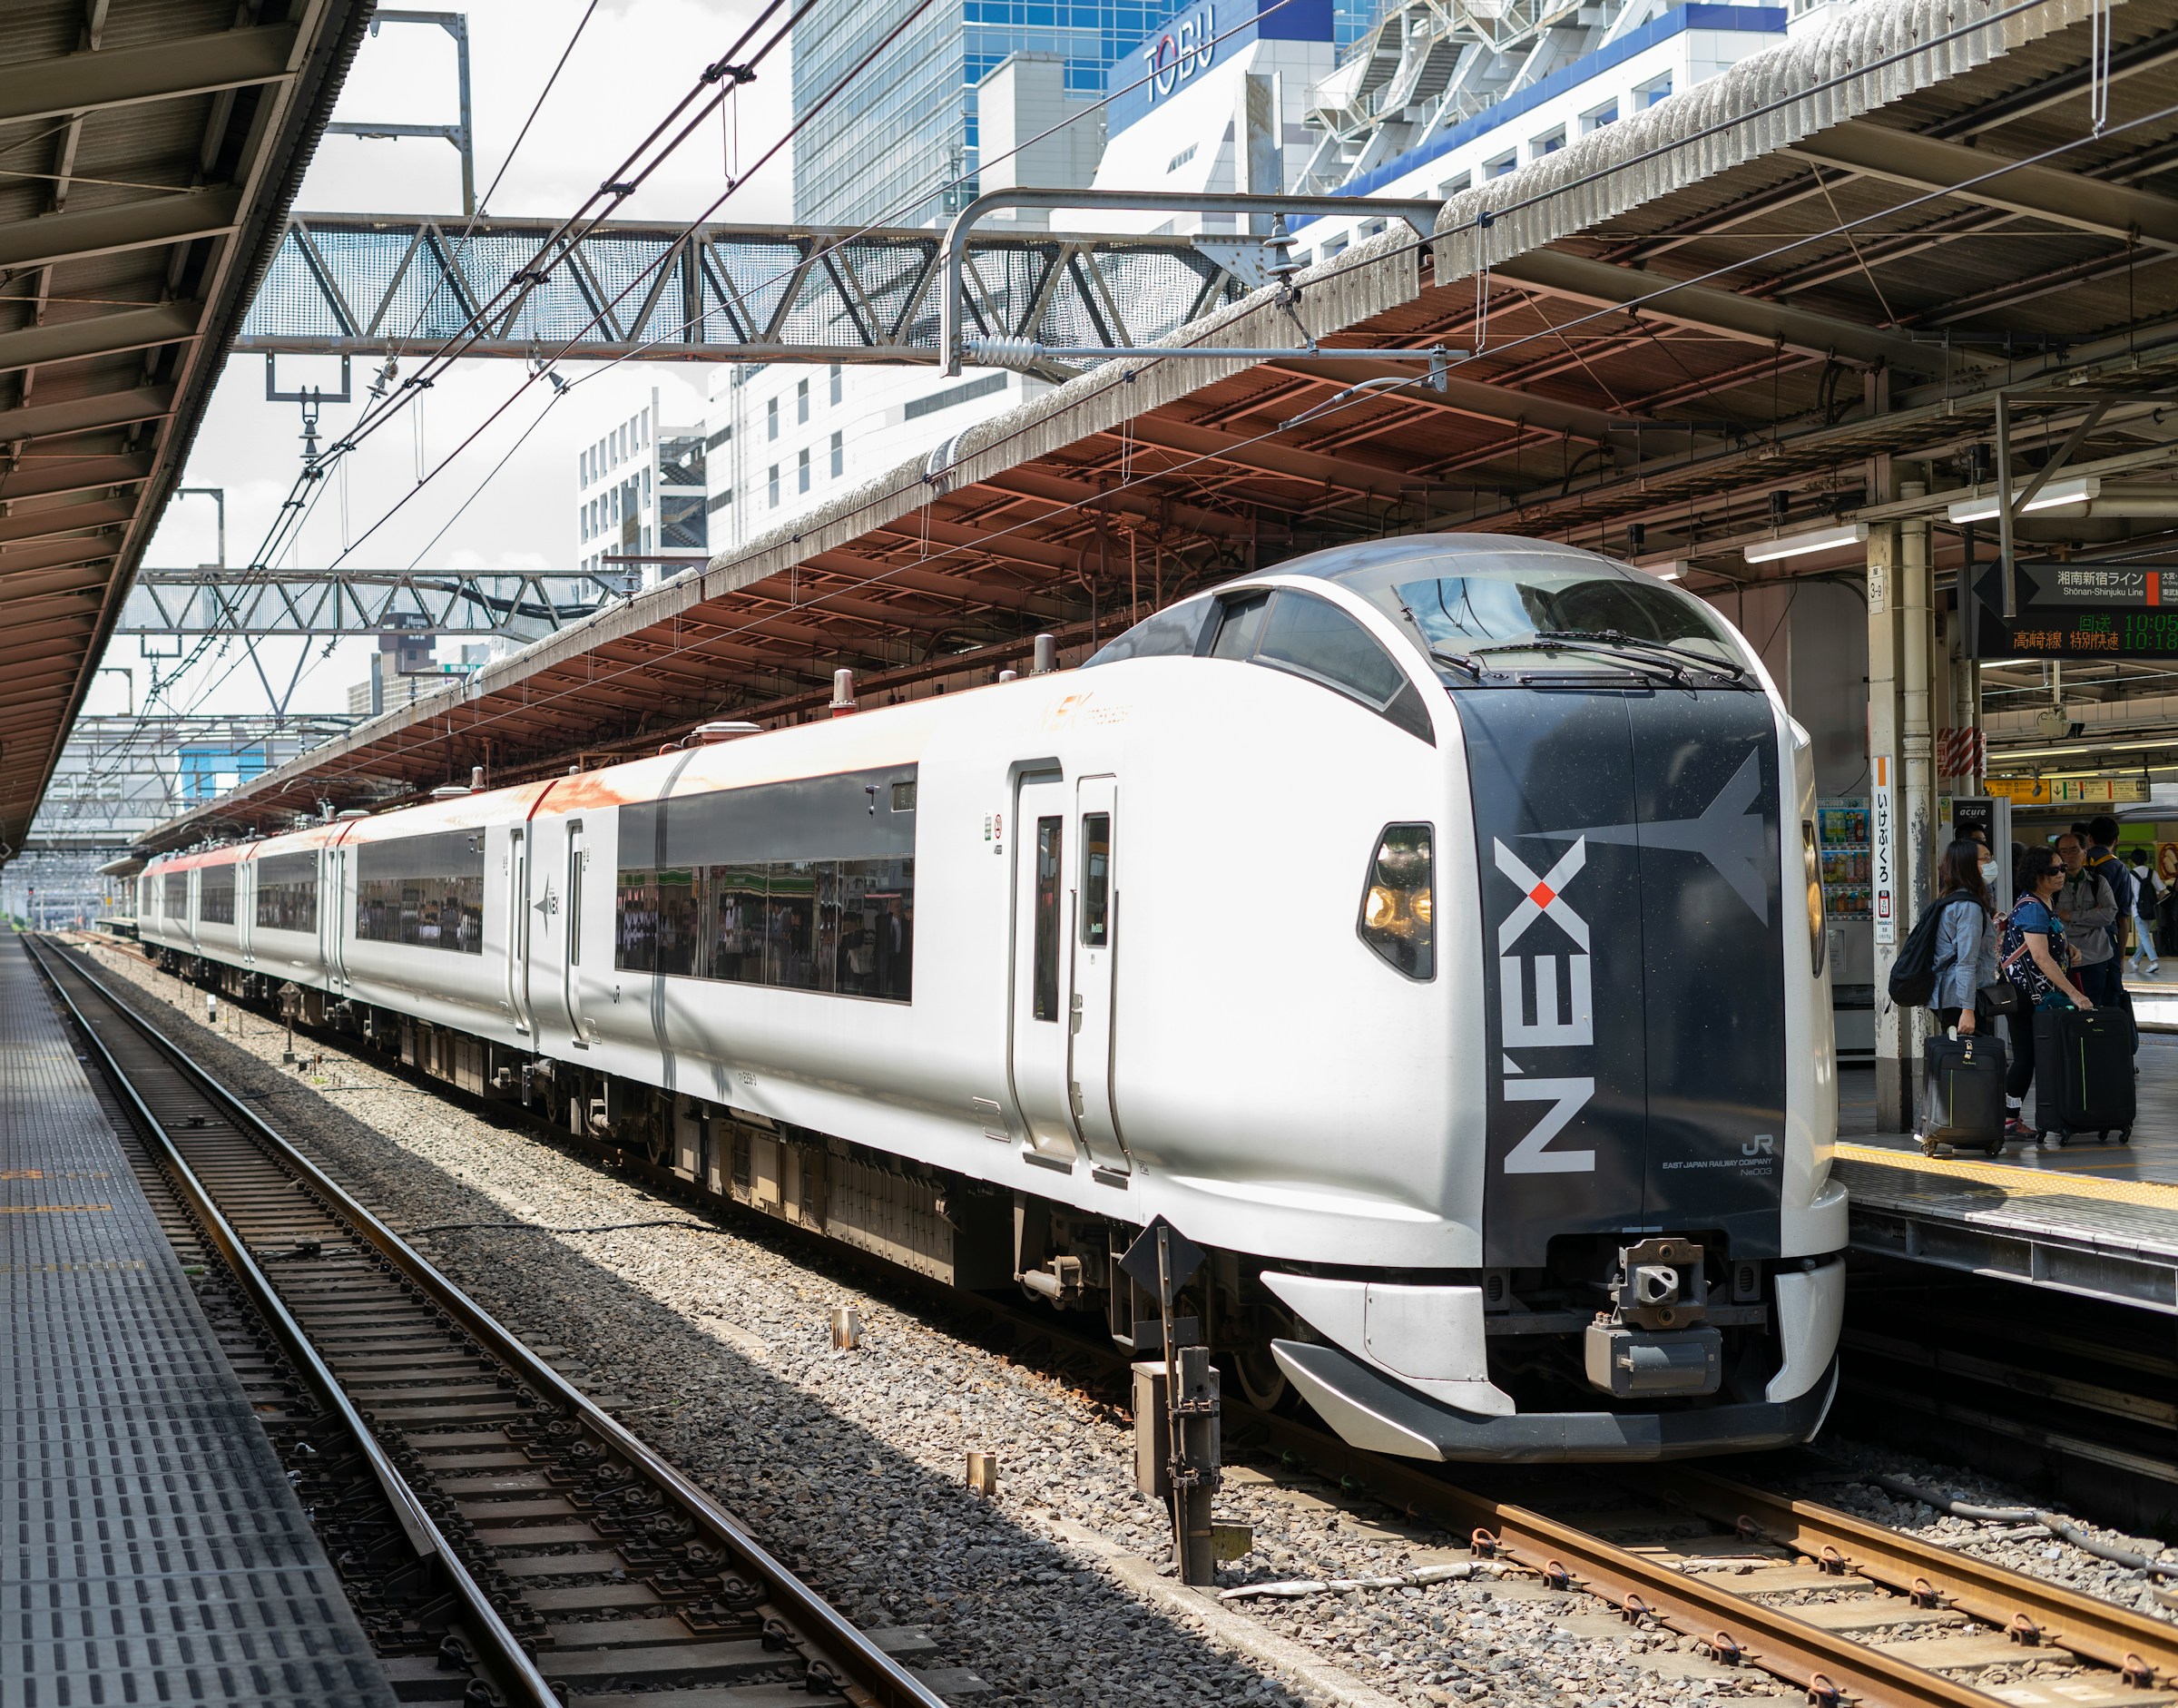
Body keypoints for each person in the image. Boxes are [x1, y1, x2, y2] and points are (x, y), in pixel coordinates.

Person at [2001, 846, 2095, 1140]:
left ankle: (2014, 1117)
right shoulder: (2031, 907)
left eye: (2062, 869)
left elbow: (2042, 947)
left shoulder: (2043, 903)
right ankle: (2008, 1118)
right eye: (2054, 870)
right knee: (2025, 1058)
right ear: (2036, 874)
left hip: (2038, 996)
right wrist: (2074, 995)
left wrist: (2068, 948)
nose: (2061, 875)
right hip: (2029, 996)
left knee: (2031, 1057)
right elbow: (2040, 958)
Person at [1929, 838, 1997, 1036]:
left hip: (1952, 995)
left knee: (1960, 1061)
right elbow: (1966, 962)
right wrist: (1968, 1010)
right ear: (1967, 865)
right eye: (1985, 859)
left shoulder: (1953, 897)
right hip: (1960, 999)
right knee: (1968, 1062)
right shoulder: (1969, 907)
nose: (1991, 864)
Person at [2052, 830, 2121, 1008]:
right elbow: (2050, 921)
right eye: (2064, 851)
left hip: (2096, 957)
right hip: (2062, 959)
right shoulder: (2052, 884)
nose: (2069, 856)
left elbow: (2109, 915)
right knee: (2064, 1011)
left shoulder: (2098, 882)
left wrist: (2069, 916)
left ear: (2085, 851)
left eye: (2074, 850)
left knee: (2093, 1008)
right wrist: (2092, 919)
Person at [2132, 848, 2163, 977]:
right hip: (2151, 911)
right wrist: (2156, 905)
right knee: (2144, 937)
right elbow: (2162, 890)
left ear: (2133, 861)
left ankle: (2154, 961)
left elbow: (2128, 895)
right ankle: (2135, 960)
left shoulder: (2131, 874)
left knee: (2144, 936)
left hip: (2137, 911)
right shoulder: (2152, 873)